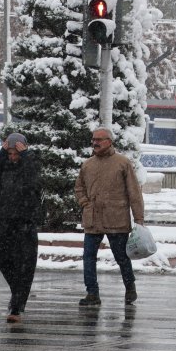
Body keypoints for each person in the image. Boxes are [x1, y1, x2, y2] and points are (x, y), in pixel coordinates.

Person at [74, 127, 145, 307]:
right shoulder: (88, 164)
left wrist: (139, 219)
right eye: (93, 139)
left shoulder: (122, 163)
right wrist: (84, 202)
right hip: (93, 219)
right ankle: (92, 293)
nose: (95, 143)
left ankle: (130, 287)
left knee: (121, 256)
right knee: (88, 257)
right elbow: (79, 187)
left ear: (109, 141)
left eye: (99, 139)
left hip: (116, 219)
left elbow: (134, 192)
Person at [0, 132, 41, 323]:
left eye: (16, 153)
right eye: (10, 154)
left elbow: (35, 181)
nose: (13, 157)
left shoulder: (31, 162)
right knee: (4, 260)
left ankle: (16, 306)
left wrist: (25, 156)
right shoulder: (4, 162)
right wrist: (1, 154)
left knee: (25, 264)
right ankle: (18, 293)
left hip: (25, 221)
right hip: (5, 219)